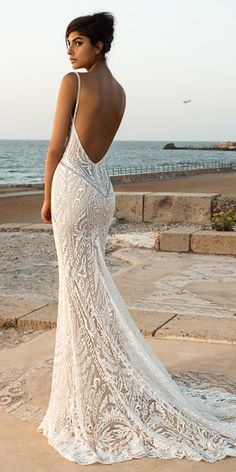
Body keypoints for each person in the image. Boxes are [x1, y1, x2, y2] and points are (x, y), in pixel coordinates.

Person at [38, 11, 236, 466]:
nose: (69, 51)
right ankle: (104, 376)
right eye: (68, 43)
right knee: (92, 289)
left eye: (77, 42)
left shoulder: (73, 82)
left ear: (99, 46)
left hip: (72, 185)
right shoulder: (120, 92)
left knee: (78, 293)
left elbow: (54, 148)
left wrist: (47, 198)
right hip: (101, 191)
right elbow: (99, 144)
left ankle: (92, 389)